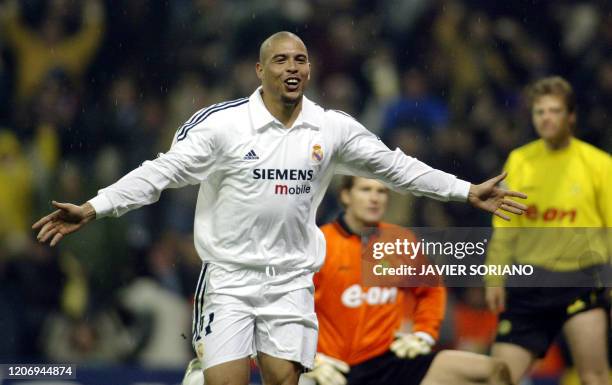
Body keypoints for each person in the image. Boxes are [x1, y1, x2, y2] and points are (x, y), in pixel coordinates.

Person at [33, 31, 527, 385]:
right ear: (260, 70)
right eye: (282, 60)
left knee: (282, 381)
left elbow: (396, 167)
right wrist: (95, 207)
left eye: (301, 60)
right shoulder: (222, 126)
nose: (293, 68)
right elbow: (159, 173)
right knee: (226, 382)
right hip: (229, 275)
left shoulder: (330, 127)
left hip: (290, 280)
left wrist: (465, 191)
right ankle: (205, 367)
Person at [298, 176, 512, 385]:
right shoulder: (320, 244)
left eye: (381, 191)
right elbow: (290, 307)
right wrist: (308, 358)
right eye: (366, 190)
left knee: (494, 371)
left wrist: (424, 333)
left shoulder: (400, 240)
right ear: (345, 195)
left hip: (391, 361)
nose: (375, 198)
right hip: (335, 370)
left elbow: (432, 288)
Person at [485, 76, 611, 385]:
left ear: (571, 116)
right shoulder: (520, 160)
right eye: (540, 112)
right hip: (530, 283)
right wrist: (493, 276)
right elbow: (505, 225)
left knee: (594, 376)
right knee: (497, 378)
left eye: (554, 110)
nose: (546, 118)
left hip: (582, 281)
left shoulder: (598, 164)